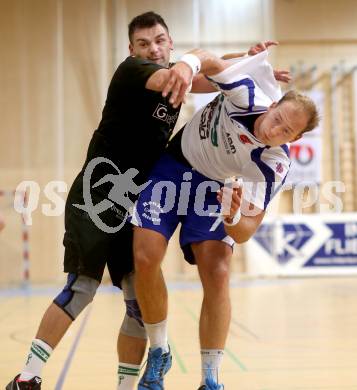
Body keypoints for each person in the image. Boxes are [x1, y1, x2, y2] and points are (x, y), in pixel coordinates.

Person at [6, 11, 228, 390]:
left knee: (139, 306)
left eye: (159, 40)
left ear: (170, 42)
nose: (153, 48)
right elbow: (193, 74)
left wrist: (254, 67)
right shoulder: (133, 71)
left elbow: (217, 77)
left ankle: (127, 386)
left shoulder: (178, 77)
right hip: (96, 197)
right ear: (132, 50)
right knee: (81, 290)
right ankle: (27, 376)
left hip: (133, 203)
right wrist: (202, 66)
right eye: (144, 44)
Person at [132, 49, 319, 390]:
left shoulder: (275, 163)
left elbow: (247, 231)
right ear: (273, 104)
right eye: (277, 118)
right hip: (175, 164)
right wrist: (188, 64)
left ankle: (210, 378)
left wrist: (232, 216)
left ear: (294, 139)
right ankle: (160, 349)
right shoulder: (248, 93)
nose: (273, 129)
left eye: (285, 132)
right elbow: (213, 62)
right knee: (145, 256)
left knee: (218, 271)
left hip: (214, 188)